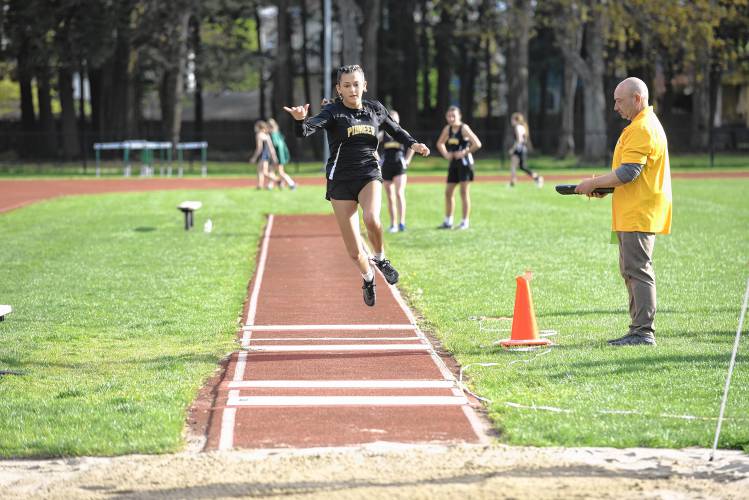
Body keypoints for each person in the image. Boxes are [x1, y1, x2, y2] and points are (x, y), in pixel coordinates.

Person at [283, 64, 430, 307]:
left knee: (372, 219)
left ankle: (381, 259)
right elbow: (306, 131)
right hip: (340, 181)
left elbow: (396, 130)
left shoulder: (375, 109)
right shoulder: (332, 112)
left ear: (365, 85)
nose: (353, 89)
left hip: (369, 173)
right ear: (339, 89)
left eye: (357, 84)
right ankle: (368, 277)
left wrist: (414, 144)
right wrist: (300, 121)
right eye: (347, 85)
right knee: (354, 252)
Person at [575, 77, 672, 346]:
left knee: (638, 270)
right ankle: (637, 330)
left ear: (637, 98)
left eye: (619, 100)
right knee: (631, 270)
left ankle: (643, 332)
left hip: (638, 213)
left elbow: (629, 173)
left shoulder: (642, 127)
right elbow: (630, 174)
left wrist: (593, 183)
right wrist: (604, 188)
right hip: (632, 210)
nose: (615, 106)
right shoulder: (639, 126)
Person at [435, 106, 482, 230]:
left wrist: (464, 152)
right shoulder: (448, 129)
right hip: (454, 164)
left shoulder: (464, 128)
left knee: (463, 192)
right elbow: (439, 143)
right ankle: (448, 221)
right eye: (449, 116)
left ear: (459, 116)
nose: (451, 118)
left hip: (465, 164)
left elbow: (477, 143)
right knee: (448, 192)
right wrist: (446, 154)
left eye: (453, 116)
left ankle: (464, 222)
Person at [379, 110, 414, 233]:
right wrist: (378, 160)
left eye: (395, 119)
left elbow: (412, 146)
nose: (393, 121)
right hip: (387, 166)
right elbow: (372, 144)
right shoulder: (383, 134)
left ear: (398, 120)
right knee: (390, 196)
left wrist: (407, 160)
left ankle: (402, 223)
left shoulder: (402, 133)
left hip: (399, 166)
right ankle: (393, 224)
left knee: (399, 193)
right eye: (391, 119)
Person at [508, 112, 543, 188]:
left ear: (516, 120)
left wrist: (512, 149)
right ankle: (512, 182)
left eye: (512, 119)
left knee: (522, 167)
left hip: (519, 149)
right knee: (514, 165)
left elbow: (518, 140)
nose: (511, 121)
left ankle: (538, 178)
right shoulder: (522, 127)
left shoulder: (517, 127)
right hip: (521, 148)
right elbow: (525, 140)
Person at [267, 118, 297, 190]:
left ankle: (292, 184)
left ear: (269, 126)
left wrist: (274, 157)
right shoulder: (277, 133)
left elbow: (274, 145)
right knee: (272, 170)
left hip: (278, 155)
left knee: (280, 172)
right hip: (281, 155)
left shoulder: (273, 135)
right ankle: (272, 186)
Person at [249, 120, 279, 190]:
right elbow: (271, 147)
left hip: (263, 155)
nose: (255, 128)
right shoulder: (267, 135)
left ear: (259, 127)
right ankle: (260, 185)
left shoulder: (259, 135)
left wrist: (254, 158)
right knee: (261, 171)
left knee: (263, 172)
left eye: (256, 126)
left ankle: (278, 180)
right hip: (267, 155)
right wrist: (274, 156)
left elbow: (259, 148)